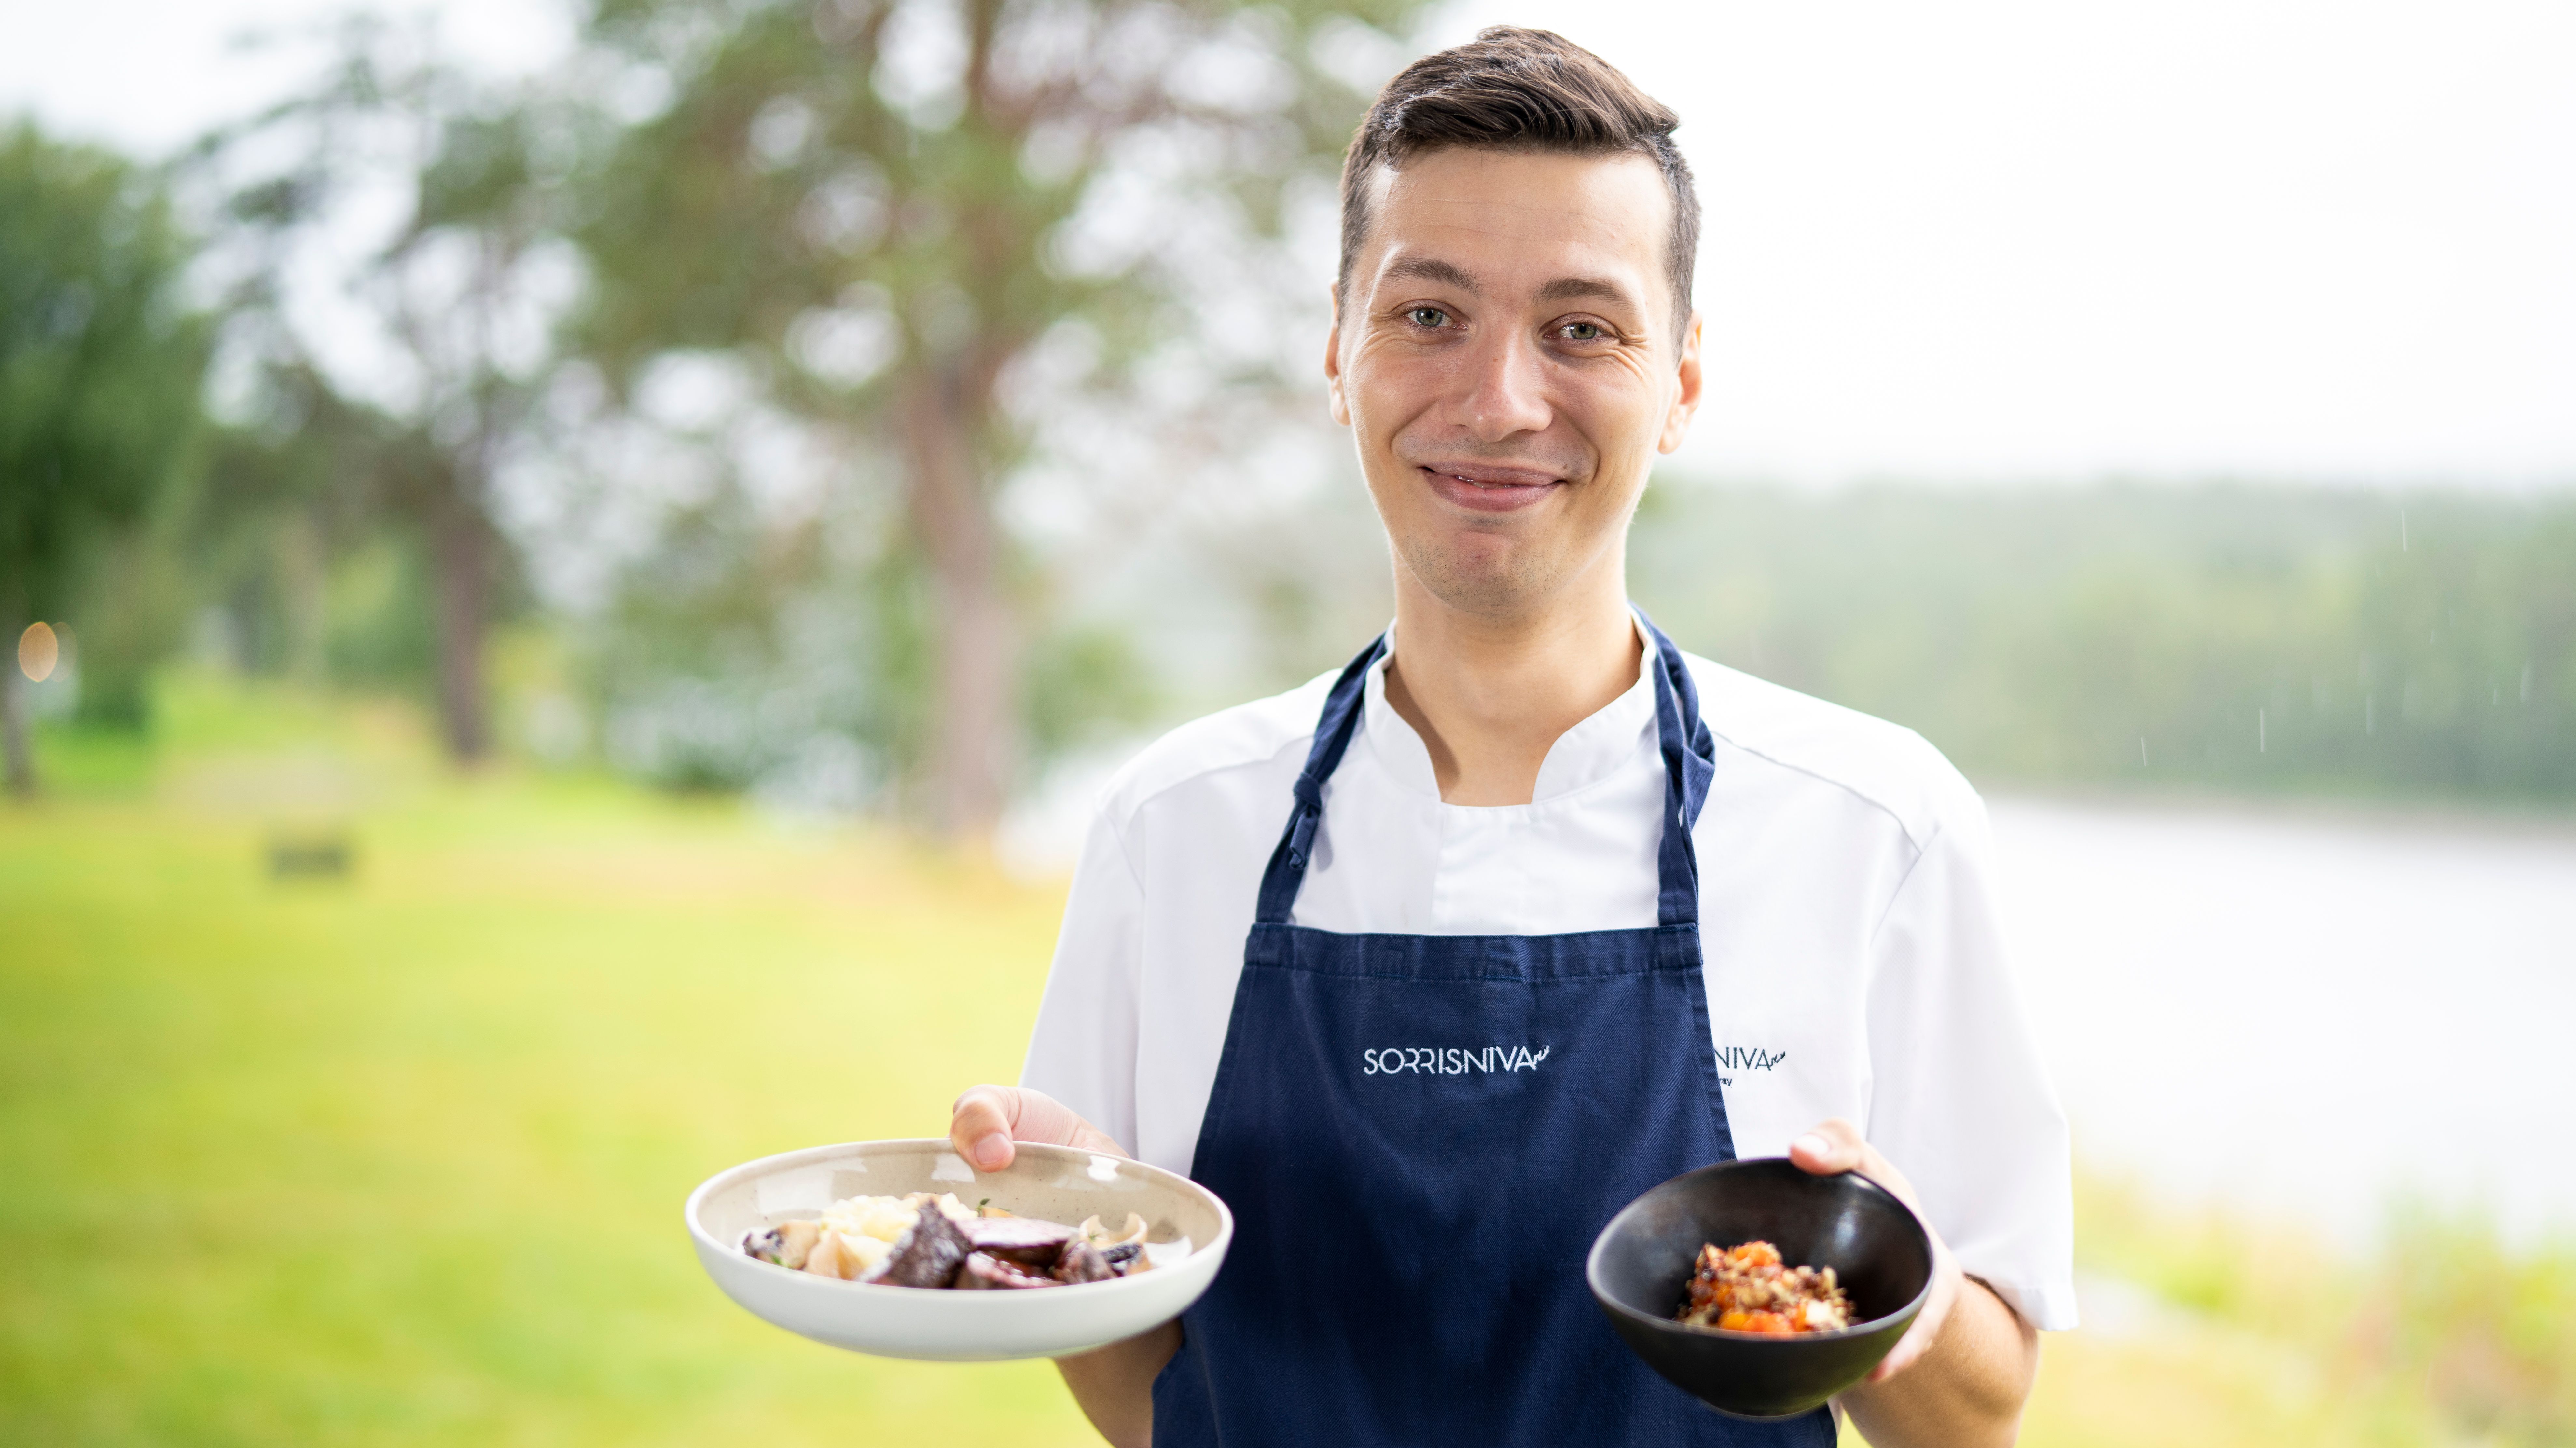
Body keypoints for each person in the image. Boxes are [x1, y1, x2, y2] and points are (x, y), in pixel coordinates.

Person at [948, 27, 2072, 1448]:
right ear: (1337, 350)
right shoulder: (1174, 830)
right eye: (1428, 315)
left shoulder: (1871, 827)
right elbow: (1150, 1385)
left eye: (1581, 328)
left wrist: (1893, 1294)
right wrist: (1069, 1232)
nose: (1496, 402)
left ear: (1680, 383)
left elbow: (1979, 1415)